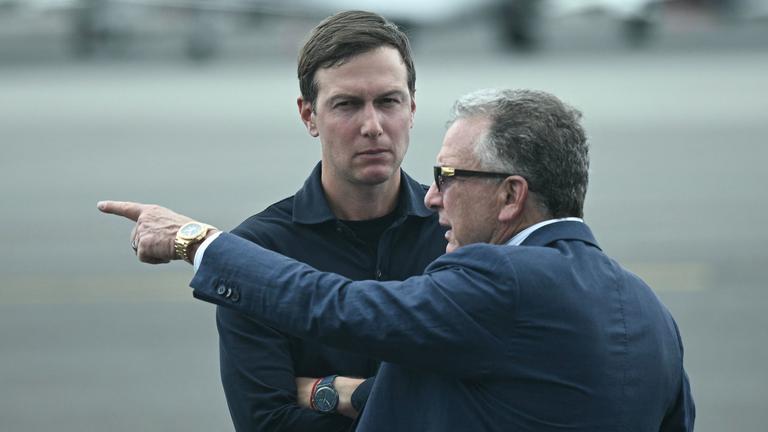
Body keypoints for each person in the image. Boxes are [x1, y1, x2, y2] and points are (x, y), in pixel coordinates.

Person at [99, 88, 695, 431]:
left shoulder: (499, 279)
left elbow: (340, 306)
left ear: (511, 195)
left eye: (449, 178)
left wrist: (196, 242)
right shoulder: (649, 311)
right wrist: (335, 392)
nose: (431, 196)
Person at [126, 10, 445, 432]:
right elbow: (267, 423)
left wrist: (331, 393)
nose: (372, 126)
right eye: (347, 105)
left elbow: (495, 394)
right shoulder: (255, 252)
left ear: (412, 109)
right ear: (308, 116)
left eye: (388, 101)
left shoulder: (455, 232)